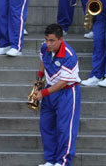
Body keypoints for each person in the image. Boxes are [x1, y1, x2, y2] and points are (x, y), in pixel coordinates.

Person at [34, 24, 81, 166]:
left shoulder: (69, 56)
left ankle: (63, 162)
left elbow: (64, 82)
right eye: (46, 40)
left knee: (64, 128)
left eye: (52, 41)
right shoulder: (45, 47)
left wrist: (43, 93)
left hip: (67, 92)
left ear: (61, 39)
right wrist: (40, 77)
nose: (48, 44)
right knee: (46, 125)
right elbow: (43, 59)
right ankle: (51, 160)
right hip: (49, 89)